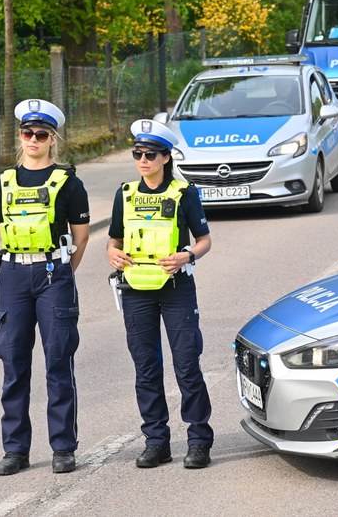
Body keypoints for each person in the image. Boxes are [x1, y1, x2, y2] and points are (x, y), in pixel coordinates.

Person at [106, 119, 214, 469]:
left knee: (186, 366)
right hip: (136, 290)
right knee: (146, 368)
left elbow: (204, 240)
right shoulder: (125, 194)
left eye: (150, 154)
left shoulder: (184, 193)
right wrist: (112, 252)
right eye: (137, 153)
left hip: (176, 289)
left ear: (166, 158)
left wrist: (188, 255)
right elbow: (114, 239)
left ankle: (198, 440)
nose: (143, 160)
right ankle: (157, 441)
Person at [0, 99, 90, 476]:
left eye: (41, 134)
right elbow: (2, 230)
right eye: (27, 133)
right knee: (13, 364)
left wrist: (60, 272)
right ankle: (15, 449)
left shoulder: (69, 183)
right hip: (14, 274)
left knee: (58, 362)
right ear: (20, 136)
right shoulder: (3, 182)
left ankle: (63, 447)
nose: (33, 139)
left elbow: (80, 238)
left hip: (53, 274)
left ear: (53, 139)